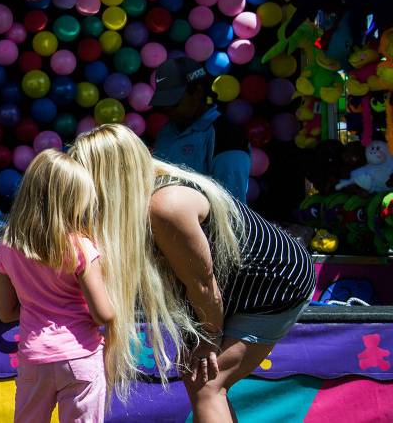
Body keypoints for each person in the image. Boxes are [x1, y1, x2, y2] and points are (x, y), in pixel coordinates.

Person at [69, 124, 316, 423]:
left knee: (207, 384)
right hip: (230, 285)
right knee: (200, 377)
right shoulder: (144, 203)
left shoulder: (166, 205)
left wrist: (210, 337)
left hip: (276, 282)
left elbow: (203, 286)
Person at [0, 149, 116, 423]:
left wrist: (39, 306)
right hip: (80, 355)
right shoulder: (80, 246)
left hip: (33, 358)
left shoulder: (8, 246)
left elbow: (5, 312)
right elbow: (103, 314)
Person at [150, 57, 252, 202]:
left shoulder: (227, 136)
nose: (167, 109)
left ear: (197, 92)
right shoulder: (166, 131)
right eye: (163, 104)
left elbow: (233, 207)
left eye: (173, 102)